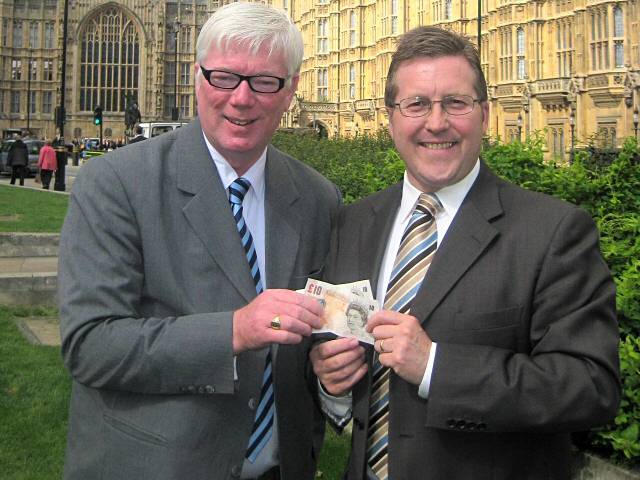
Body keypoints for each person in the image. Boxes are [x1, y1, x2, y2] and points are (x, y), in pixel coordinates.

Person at [310, 26, 620, 480]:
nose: (436, 122)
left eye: (455, 103)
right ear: (392, 117)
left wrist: (436, 366)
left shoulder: (552, 231)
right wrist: (332, 384)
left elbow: (589, 386)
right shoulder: (352, 223)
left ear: (485, 114)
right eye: (417, 104)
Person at [58, 3, 340, 480]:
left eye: (265, 81)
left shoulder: (318, 198)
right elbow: (91, 344)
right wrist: (234, 331)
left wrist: (335, 374)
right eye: (224, 77)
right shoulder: (116, 183)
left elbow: (313, 344)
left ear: (290, 90)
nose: (242, 98)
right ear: (196, 77)